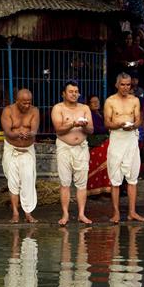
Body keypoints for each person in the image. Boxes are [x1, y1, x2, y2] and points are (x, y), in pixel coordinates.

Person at [104, 73, 144, 224]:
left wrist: (135, 125)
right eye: (123, 84)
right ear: (117, 85)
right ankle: (116, 213)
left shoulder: (135, 100)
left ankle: (132, 212)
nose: (126, 87)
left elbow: (139, 118)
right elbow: (107, 123)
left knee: (132, 178)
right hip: (117, 138)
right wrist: (119, 125)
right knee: (115, 179)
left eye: (128, 85)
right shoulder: (110, 101)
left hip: (131, 139)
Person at [52, 81, 93, 225]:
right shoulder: (58, 108)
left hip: (81, 147)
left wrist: (85, 126)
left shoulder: (85, 108)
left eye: (76, 91)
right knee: (65, 182)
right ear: (63, 93)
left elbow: (91, 130)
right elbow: (58, 129)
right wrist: (73, 124)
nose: (74, 94)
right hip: (64, 146)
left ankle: (81, 214)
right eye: (71, 91)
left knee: (82, 183)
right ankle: (65, 214)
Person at [1, 88, 40, 224]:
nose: (27, 105)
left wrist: (31, 133)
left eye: (29, 102)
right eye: (24, 103)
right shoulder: (8, 111)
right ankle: (15, 213)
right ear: (17, 101)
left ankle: (28, 213)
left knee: (28, 181)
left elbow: (35, 130)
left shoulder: (34, 111)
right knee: (13, 182)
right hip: (12, 149)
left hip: (27, 150)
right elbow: (7, 131)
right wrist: (17, 134)